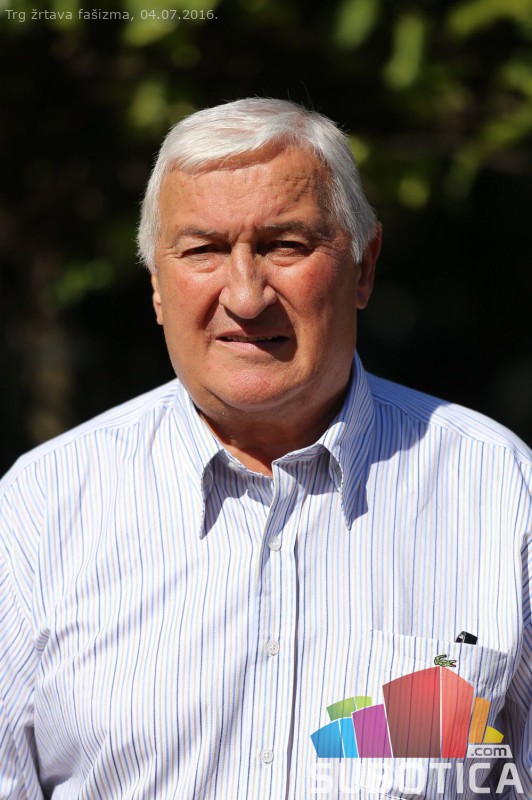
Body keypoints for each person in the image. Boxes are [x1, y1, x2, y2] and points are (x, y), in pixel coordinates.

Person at [0, 98, 530, 800]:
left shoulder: (502, 494)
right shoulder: (38, 510)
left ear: (364, 266)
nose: (246, 298)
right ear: (155, 283)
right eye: (203, 250)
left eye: (285, 245)